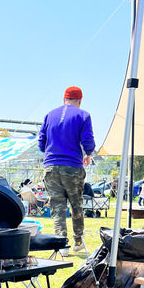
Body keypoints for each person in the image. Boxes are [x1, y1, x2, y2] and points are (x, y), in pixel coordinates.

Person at [38, 86, 95, 252]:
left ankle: (62, 244)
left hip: (50, 167)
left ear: (64, 99)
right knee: (76, 205)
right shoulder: (83, 115)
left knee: (57, 207)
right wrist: (88, 153)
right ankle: (78, 241)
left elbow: (41, 143)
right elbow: (88, 142)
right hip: (72, 167)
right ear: (80, 100)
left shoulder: (50, 115)